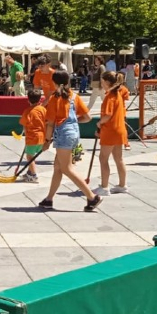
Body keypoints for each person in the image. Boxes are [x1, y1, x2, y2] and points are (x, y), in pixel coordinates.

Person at [39, 71, 101, 210]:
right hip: (74, 133)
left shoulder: (55, 98)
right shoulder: (74, 96)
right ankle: (49, 199)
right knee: (57, 167)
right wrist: (72, 123)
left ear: (54, 83)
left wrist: (47, 141)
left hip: (63, 135)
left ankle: (92, 197)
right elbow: (88, 117)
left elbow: (50, 123)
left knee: (67, 168)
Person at [96, 71, 128, 195]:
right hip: (119, 129)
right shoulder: (118, 94)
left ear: (107, 82)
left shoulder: (110, 96)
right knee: (118, 158)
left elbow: (108, 115)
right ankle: (122, 184)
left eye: (102, 81)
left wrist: (99, 123)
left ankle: (104, 187)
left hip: (110, 130)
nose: (101, 84)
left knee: (103, 158)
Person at [17, 88, 46, 183]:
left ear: (28, 100)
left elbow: (24, 125)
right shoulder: (43, 109)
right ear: (40, 99)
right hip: (42, 137)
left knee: (29, 157)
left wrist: (25, 133)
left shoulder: (27, 111)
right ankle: (30, 172)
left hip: (32, 137)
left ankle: (33, 175)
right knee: (33, 156)